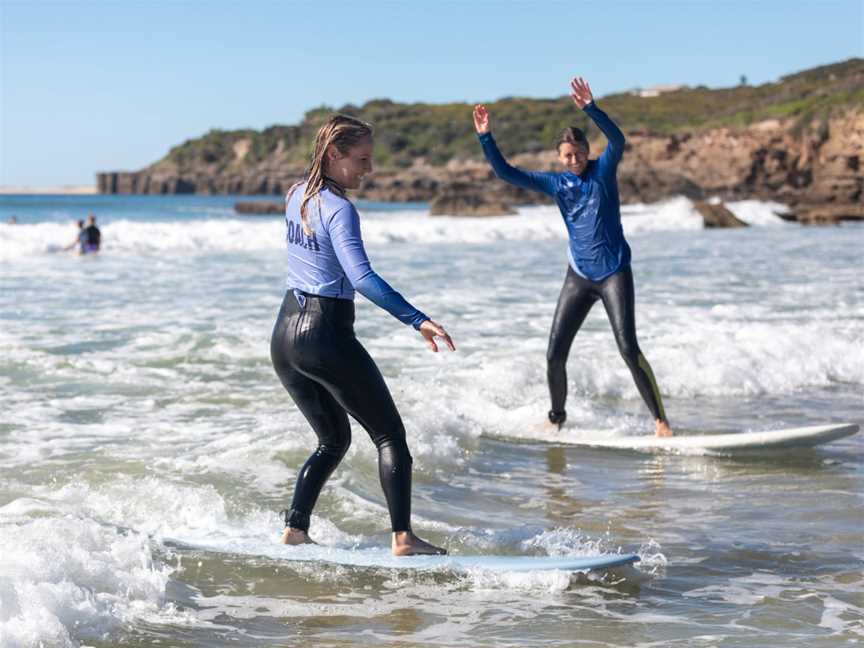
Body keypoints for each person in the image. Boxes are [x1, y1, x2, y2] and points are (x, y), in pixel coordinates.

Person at [271, 114, 455, 556]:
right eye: (361, 159)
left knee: (333, 439)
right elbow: (362, 278)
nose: (368, 170)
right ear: (334, 155)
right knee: (390, 436)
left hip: (284, 335)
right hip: (323, 332)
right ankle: (404, 538)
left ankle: (295, 528)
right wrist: (417, 319)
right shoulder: (340, 210)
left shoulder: (295, 195)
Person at [473, 77, 672, 437]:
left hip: (614, 272)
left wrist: (591, 109)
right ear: (559, 157)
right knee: (554, 354)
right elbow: (506, 172)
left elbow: (618, 140)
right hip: (579, 275)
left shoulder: (603, 169)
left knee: (628, 348)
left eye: (579, 153)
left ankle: (660, 420)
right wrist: (486, 136)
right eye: (568, 155)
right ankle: (557, 418)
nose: (575, 159)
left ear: (587, 151)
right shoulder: (555, 183)